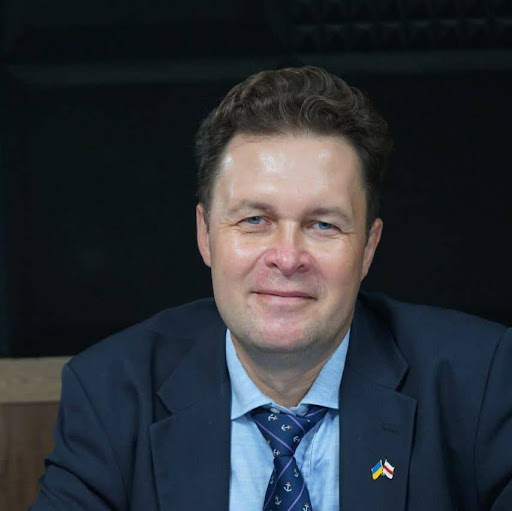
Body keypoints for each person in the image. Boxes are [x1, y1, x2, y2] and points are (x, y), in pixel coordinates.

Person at [31, 66, 511, 511]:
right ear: (205, 235)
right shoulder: (111, 394)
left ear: (367, 248)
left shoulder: (480, 384)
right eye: (255, 220)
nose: (287, 256)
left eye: (323, 225)